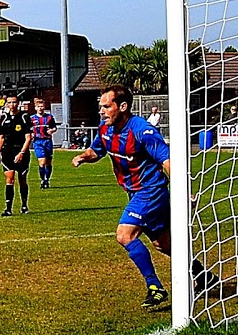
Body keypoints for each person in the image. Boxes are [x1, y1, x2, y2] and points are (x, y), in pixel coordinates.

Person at [73, 85, 218, 311]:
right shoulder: (105, 129)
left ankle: (155, 287)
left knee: (124, 235)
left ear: (122, 107)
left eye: (106, 106)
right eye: (100, 106)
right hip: (136, 192)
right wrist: (83, 156)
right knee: (164, 245)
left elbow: (167, 160)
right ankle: (203, 275)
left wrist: (183, 190)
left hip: (151, 191)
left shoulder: (142, 130)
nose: (101, 111)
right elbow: (96, 151)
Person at [0, 97, 31, 216]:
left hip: (21, 151)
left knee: (22, 180)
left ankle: (24, 206)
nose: (12, 104)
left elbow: (28, 138)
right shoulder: (4, 118)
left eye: (14, 102)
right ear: (6, 104)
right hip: (7, 152)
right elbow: (1, 137)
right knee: (9, 179)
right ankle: (8, 209)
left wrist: (21, 153)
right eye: (9, 102)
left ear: (18, 103)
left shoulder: (24, 117)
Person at [30, 97, 60, 188]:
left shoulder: (49, 117)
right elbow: (28, 129)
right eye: (38, 106)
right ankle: (43, 179)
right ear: (35, 108)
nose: (40, 108)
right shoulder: (31, 118)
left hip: (47, 141)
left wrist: (52, 130)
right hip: (38, 142)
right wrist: (30, 134)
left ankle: (47, 180)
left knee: (48, 162)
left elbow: (54, 127)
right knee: (42, 162)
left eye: (42, 106)